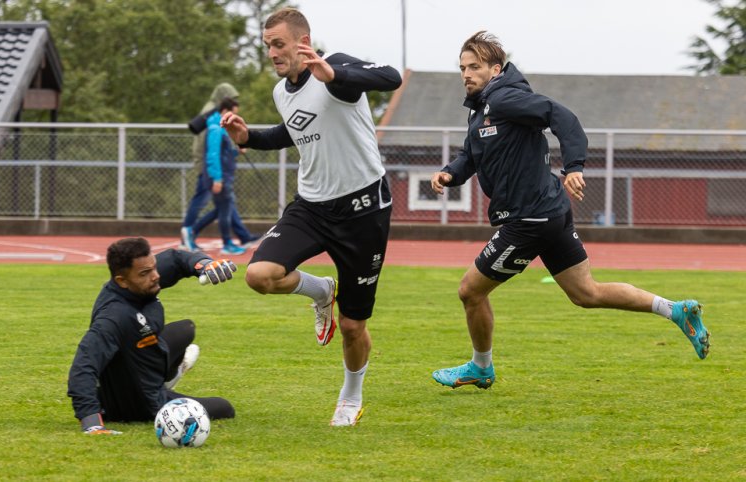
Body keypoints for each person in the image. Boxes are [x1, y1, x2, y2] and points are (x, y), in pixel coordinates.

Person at [429, 31, 710, 390]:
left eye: (475, 67)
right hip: (549, 212)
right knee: (586, 293)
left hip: (529, 218)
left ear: (495, 70)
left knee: (470, 291)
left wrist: (574, 166)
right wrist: (449, 173)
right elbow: (471, 155)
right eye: (462, 68)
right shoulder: (482, 110)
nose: (466, 74)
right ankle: (675, 310)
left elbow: (561, 117)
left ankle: (481, 368)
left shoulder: (504, 99)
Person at [221, 7, 401, 426]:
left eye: (278, 44)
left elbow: (391, 77)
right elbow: (293, 130)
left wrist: (336, 76)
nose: (272, 53)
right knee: (259, 276)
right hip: (311, 207)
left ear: (303, 42)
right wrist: (249, 137)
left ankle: (350, 398)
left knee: (353, 326)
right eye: (267, 46)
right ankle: (320, 289)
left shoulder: (335, 69)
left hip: (363, 211)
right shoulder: (281, 91)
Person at [67, 237, 237, 434]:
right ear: (122, 281)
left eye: (154, 268)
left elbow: (175, 259)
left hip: (137, 364)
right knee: (224, 408)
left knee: (185, 330)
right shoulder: (113, 318)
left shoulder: (142, 277)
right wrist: (92, 422)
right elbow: (83, 366)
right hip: (141, 403)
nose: (156, 276)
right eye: (145, 273)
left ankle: (169, 376)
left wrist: (205, 265)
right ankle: (163, 386)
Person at [181, 83, 261, 254]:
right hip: (219, 175)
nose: (234, 117)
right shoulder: (216, 128)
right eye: (232, 113)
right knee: (223, 208)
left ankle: (195, 231)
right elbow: (213, 153)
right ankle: (225, 243)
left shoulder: (219, 126)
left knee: (224, 208)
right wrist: (217, 178)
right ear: (225, 110)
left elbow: (224, 149)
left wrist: (237, 150)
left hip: (223, 174)